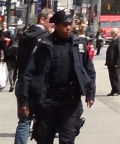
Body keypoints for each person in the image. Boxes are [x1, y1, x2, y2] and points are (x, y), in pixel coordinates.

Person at [21, 11, 96, 144]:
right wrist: (24, 101)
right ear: (55, 25)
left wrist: (90, 93)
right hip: (47, 100)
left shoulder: (78, 44)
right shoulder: (44, 45)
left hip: (70, 100)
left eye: (70, 24)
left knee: (68, 139)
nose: (68, 28)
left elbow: (89, 70)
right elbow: (28, 74)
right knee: (44, 139)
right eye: (64, 25)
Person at [15, 8, 55, 144]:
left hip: (23, 80)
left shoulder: (25, 35)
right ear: (42, 20)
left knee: (24, 120)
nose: (52, 24)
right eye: (50, 21)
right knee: (42, 120)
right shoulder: (45, 37)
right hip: (39, 82)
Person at [105, 29, 120, 96]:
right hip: (111, 62)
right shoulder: (114, 40)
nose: (111, 34)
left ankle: (117, 90)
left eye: (112, 33)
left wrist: (117, 62)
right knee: (112, 77)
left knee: (115, 76)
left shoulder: (119, 40)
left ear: (116, 33)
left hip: (115, 63)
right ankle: (113, 90)